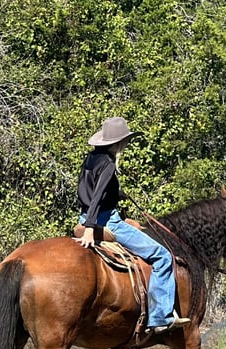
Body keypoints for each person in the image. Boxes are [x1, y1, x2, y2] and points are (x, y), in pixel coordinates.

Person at [74, 116, 190, 334]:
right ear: (118, 143)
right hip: (108, 221)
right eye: (125, 142)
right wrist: (91, 227)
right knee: (163, 256)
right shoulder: (108, 164)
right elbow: (98, 194)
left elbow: (88, 189)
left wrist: (116, 194)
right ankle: (160, 317)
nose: (125, 146)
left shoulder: (92, 158)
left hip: (84, 216)